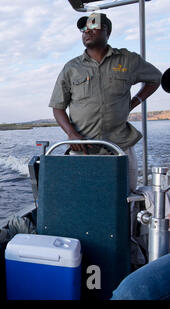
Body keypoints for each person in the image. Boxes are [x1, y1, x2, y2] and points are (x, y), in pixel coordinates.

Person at [48, 13, 162, 192]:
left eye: (93, 27)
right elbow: (58, 106)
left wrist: (134, 102)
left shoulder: (128, 60)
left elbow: (156, 79)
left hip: (120, 145)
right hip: (83, 148)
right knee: (83, 197)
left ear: (106, 31)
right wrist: (71, 134)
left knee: (125, 197)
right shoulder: (71, 68)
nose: (87, 32)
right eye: (84, 29)